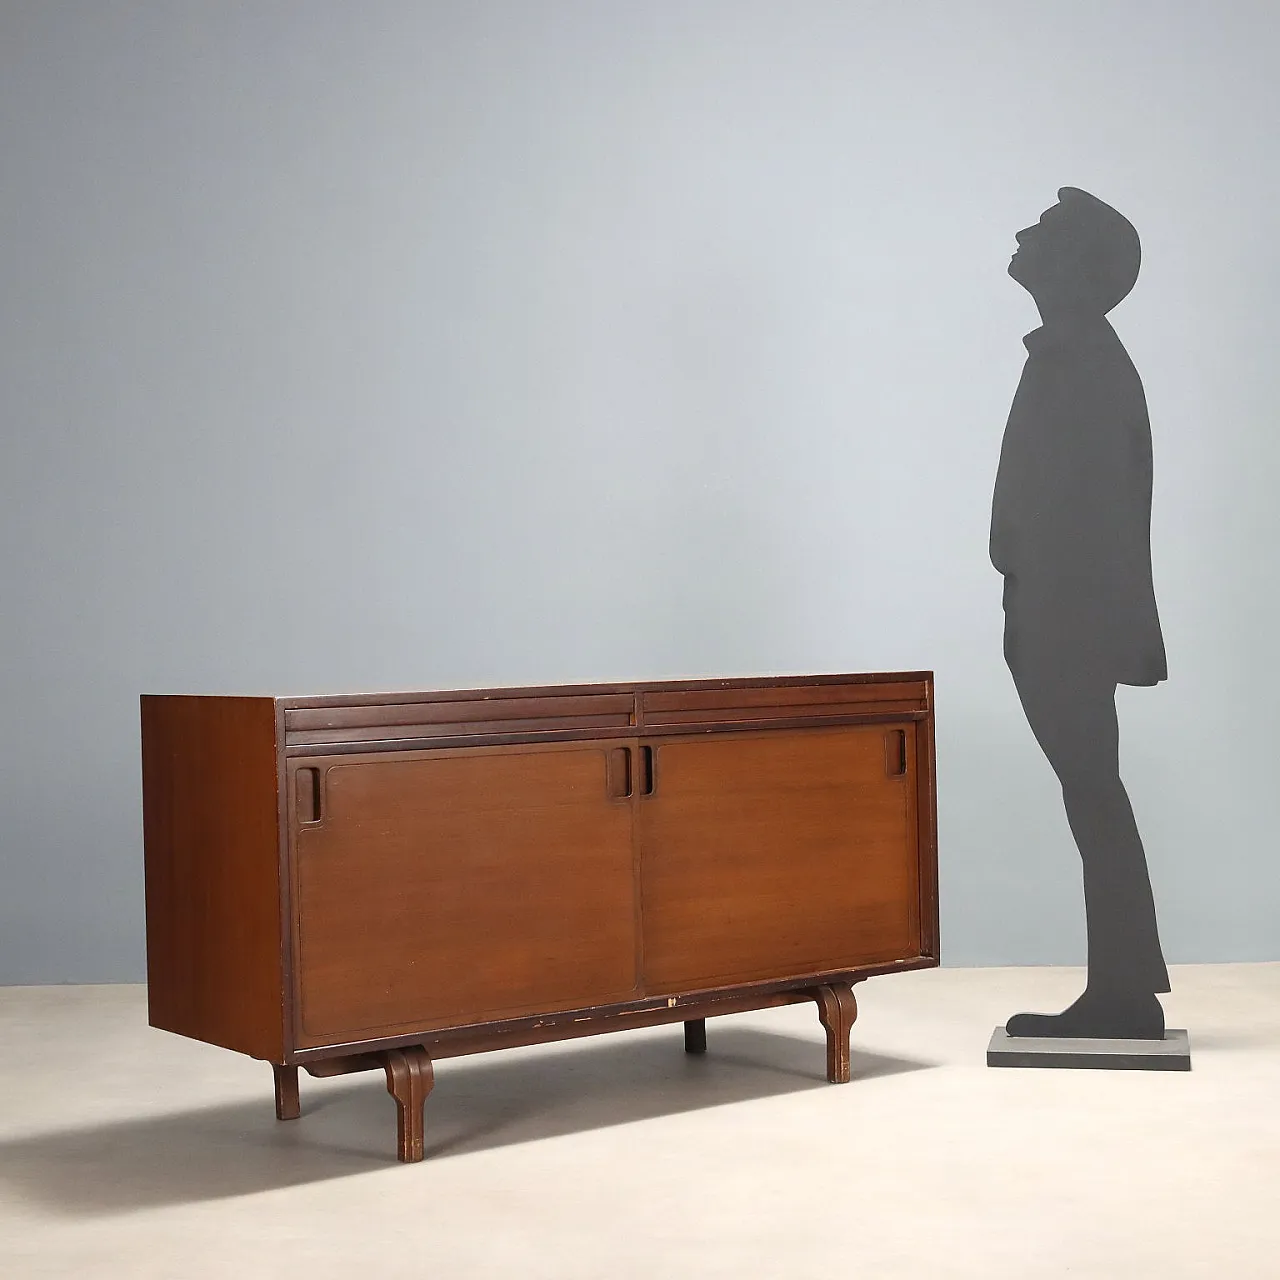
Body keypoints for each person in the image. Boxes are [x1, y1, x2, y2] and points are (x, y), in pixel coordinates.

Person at [991, 186, 1170, 1039]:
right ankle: (1126, 986)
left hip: (1067, 619)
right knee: (1093, 793)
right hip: (1059, 614)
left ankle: (1125, 993)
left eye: (1045, 228)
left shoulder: (1081, 360)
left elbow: (1092, 511)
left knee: (1093, 792)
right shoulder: (1076, 354)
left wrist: (1046, 602)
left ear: (1072, 265)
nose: (1024, 230)